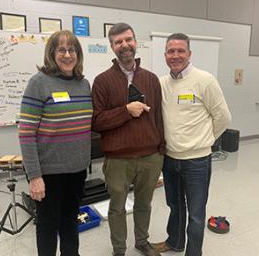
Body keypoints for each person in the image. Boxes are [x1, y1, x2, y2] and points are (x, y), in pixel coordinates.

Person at [152, 33, 231, 256]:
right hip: (170, 159)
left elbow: (223, 118)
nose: (175, 55)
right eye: (171, 51)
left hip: (197, 161)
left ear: (189, 54)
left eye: (180, 51)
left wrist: (203, 141)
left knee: (196, 214)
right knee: (175, 206)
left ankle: (193, 253)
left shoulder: (205, 80)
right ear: (165, 54)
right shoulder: (162, 83)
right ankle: (175, 242)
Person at [91, 23, 165, 256]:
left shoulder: (152, 79)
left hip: (150, 158)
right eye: (118, 42)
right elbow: (96, 122)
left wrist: (161, 151)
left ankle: (142, 242)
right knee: (117, 208)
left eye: (128, 40)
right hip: (118, 161)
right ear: (112, 47)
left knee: (145, 204)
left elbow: (159, 118)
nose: (124, 45)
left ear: (135, 42)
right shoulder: (102, 81)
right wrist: (126, 110)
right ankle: (119, 249)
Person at [19, 30, 92, 256]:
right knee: (48, 225)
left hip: (77, 170)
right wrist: (34, 176)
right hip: (49, 173)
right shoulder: (38, 83)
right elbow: (26, 133)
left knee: (71, 219)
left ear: (78, 54)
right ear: (52, 53)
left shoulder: (84, 84)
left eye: (72, 50)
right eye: (61, 49)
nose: (68, 55)